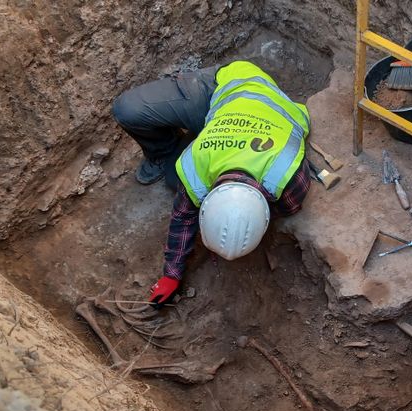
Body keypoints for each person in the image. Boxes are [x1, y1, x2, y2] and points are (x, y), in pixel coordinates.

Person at [112, 61, 312, 307]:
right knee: (130, 113)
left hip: (257, 97)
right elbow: (183, 217)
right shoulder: (194, 166)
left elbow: (288, 208)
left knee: (176, 180)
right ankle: (162, 152)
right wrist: (170, 275)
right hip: (222, 87)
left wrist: (173, 275)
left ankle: (191, 136)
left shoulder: (287, 172)